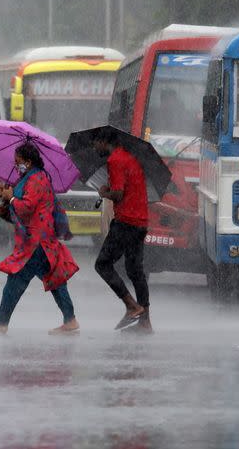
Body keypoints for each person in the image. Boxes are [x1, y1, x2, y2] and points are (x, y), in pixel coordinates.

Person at [0, 142, 80, 335]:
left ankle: (1, 322)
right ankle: (70, 320)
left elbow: (26, 207)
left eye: (19, 162)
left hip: (36, 243)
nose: (16, 166)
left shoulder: (36, 180)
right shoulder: (31, 177)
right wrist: (6, 196)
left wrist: (12, 198)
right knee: (55, 281)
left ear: (29, 161)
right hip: (41, 240)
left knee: (16, 279)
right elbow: (20, 203)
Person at [93, 130, 152, 334]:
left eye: (96, 143)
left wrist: (104, 192)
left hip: (126, 221)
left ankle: (131, 306)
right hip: (140, 221)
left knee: (102, 264)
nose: (95, 148)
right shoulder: (129, 158)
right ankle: (145, 322)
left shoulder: (116, 160)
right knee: (135, 270)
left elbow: (118, 194)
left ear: (104, 140)